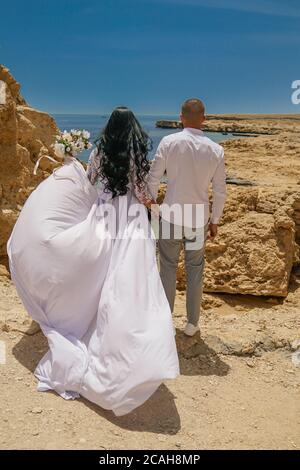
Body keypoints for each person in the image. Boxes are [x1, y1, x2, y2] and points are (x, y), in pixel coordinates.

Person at [7, 106, 179, 416]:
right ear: (134, 127)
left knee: (102, 274)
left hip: (104, 213)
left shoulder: (100, 150)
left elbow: (92, 181)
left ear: (111, 126)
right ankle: (134, 346)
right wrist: (156, 208)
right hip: (131, 218)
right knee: (132, 279)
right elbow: (141, 191)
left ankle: (92, 327)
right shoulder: (138, 151)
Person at [147, 99, 226, 337]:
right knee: (195, 269)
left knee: (167, 268)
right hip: (198, 218)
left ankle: (165, 321)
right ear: (204, 118)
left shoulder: (169, 142)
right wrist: (215, 220)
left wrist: (152, 207)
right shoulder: (216, 149)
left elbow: (153, 178)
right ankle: (192, 324)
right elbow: (220, 190)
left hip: (171, 215)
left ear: (180, 117)